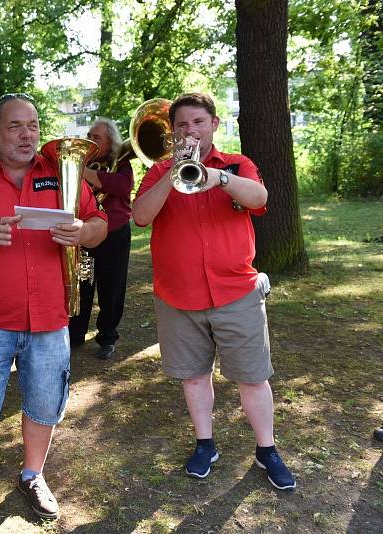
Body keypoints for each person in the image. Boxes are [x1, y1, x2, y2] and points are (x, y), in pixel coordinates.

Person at [0, 93, 107, 533]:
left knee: (46, 403)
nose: (26, 134)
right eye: (15, 126)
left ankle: (33, 475)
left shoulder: (62, 172)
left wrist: (84, 230)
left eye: (32, 126)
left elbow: (99, 224)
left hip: (49, 316)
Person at [132, 92, 296, 491]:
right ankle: (205, 444)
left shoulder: (238, 165)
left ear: (214, 125)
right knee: (193, 377)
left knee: (253, 378)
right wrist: (173, 175)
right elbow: (139, 218)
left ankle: (267, 450)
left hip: (235, 291)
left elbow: (260, 198)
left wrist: (219, 178)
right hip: (178, 296)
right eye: (182, 125)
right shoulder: (158, 171)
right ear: (174, 133)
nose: (190, 131)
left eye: (198, 123)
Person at [68, 117, 133, 360]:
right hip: (85, 232)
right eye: (89, 135)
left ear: (110, 142)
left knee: (112, 287)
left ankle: (107, 337)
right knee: (82, 283)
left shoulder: (122, 162)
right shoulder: (82, 159)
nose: (90, 140)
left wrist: (84, 173)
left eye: (96, 137)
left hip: (114, 234)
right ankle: (75, 334)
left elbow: (122, 187)